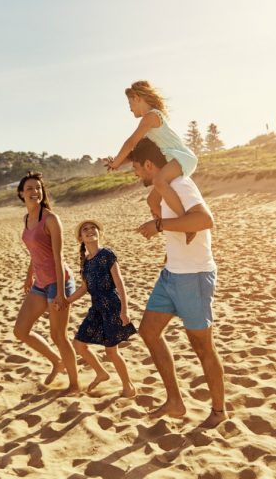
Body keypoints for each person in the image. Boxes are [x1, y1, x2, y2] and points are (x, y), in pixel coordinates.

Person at [128, 137, 228, 428]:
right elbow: (172, 220)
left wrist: (159, 226)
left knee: (202, 347)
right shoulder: (160, 191)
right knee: (148, 331)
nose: (135, 175)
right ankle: (175, 401)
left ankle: (219, 411)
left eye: (136, 168)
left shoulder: (182, 184)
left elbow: (204, 221)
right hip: (171, 274)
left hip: (194, 277)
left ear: (149, 165)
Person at [104, 80, 198, 244]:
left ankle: (185, 223)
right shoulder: (149, 121)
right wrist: (117, 163)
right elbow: (135, 153)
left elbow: (131, 142)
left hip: (182, 157)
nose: (129, 107)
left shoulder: (152, 116)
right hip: (173, 160)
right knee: (152, 201)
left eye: (130, 102)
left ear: (138, 98)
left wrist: (116, 162)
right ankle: (173, 230)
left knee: (159, 181)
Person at [13, 171, 79, 394]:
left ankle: (75, 384)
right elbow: (35, 251)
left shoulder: (50, 219)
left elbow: (58, 257)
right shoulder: (27, 218)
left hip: (58, 282)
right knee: (21, 331)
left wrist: (61, 293)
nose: (35, 192)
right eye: (30, 189)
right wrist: (28, 275)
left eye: (38, 188)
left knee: (58, 335)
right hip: (40, 283)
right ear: (21, 194)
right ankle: (56, 362)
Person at [66, 220, 137, 397]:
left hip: (112, 306)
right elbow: (84, 288)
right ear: (80, 238)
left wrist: (124, 310)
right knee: (79, 344)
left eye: (93, 228)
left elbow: (119, 282)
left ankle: (128, 386)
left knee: (111, 350)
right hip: (96, 309)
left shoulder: (107, 254)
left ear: (99, 233)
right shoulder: (86, 262)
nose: (90, 231)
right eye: (85, 230)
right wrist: (66, 301)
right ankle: (101, 373)